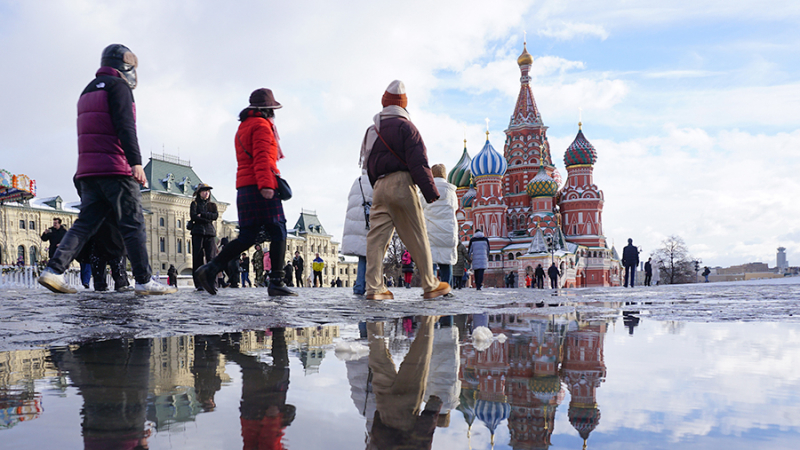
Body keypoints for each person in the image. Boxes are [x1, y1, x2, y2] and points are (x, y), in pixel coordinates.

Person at [37, 44, 175, 295]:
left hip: (89, 172)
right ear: (124, 66)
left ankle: (53, 271)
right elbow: (125, 126)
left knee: (84, 224)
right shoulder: (118, 87)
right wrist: (135, 162)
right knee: (133, 224)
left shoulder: (87, 90)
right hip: (115, 168)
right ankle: (144, 280)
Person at [195, 88, 296, 296]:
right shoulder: (261, 126)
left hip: (245, 187)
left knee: (248, 236)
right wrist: (267, 185)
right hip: (260, 185)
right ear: (267, 110)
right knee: (279, 230)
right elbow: (262, 158)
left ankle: (211, 268)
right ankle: (276, 281)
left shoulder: (243, 126)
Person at [361, 80, 450, 300]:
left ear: (384, 102)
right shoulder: (407, 127)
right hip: (401, 184)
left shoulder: (373, 130)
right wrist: (430, 192)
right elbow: (418, 162)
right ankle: (430, 284)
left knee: (376, 240)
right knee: (417, 235)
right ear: (403, 105)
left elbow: (368, 163)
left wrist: (378, 185)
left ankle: (374, 288)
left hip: (379, 186)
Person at [420, 163, 458, 292]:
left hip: (431, 230)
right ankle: (446, 288)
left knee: (430, 262)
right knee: (446, 261)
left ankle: (430, 287)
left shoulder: (427, 189)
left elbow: (420, 206)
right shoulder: (452, 192)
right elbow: (455, 208)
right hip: (448, 230)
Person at [341, 171, 373, 295]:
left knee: (362, 256)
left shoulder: (357, 181)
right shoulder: (375, 180)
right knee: (374, 255)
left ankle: (359, 286)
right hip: (370, 222)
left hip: (357, 222)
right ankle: (372, 286)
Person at [189, 183, 219, 289]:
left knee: (211, 258)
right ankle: (199, 284)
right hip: (198, 233)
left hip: (210, 234)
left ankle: (213, 283)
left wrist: (202, 215)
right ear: (199, 193)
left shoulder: (212, 205)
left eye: (208, 191)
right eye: (204, 191)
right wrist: (207, 217)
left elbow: (215, 216)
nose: (206, 193)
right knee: (198, 259)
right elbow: (193, 217)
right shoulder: (194, 204)